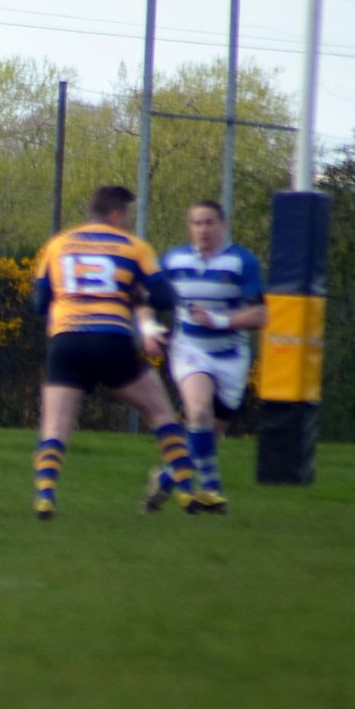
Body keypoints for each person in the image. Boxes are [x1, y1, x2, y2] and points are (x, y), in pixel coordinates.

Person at [29, 184, 211, 519]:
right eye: (127, 215)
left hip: (67, 340)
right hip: (112, 338)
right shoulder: (132, 247)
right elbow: (164, 297)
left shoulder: (58, 244)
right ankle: (186, 490)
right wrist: (132, 295)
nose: (128, 221)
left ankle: (45, 495)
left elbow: (40, 301)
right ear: (116, 213)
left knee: (55, 425)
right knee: (160, 413)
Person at [142, 199, 265, 513]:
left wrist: (219, 321)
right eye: (197, 223)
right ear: (189, 227)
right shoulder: (174, 260)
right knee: (198, 412)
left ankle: (165, 479)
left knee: (204, 439)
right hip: (190, 350)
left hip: (232, 357)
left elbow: (261, 315)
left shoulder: (242, 261)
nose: (203, 229)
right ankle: (212, 490)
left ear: (223, 225)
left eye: (209, 222)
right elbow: (143, 298)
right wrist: (148, 328)